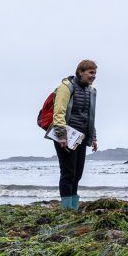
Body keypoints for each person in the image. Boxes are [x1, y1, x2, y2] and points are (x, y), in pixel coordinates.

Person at [51, 59, 98, 210]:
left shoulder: (90, 91)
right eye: (91, 72)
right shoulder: (66, 88)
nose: (94, 76)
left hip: (81, 138)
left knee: (77, 174)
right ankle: (66, 210)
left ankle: (74, 208)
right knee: (68, 173)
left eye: (95, 73)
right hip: (66, 136)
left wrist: (94, 137)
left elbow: (89, 116)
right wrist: (61, 135)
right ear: (80, 72)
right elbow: (58, 112)